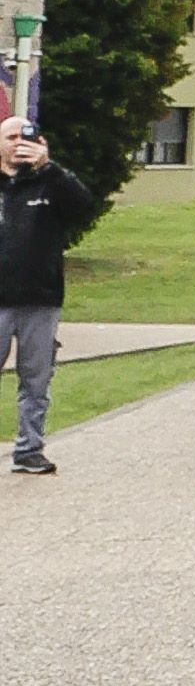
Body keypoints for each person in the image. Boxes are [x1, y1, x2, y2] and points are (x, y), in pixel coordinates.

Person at [0, 112, 101, 473]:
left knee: (36, 379)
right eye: (11, 137)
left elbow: (84, 207)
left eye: (25, 137)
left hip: (40, 299)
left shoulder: (50, 183)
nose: (18, 144)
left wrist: (50, 168)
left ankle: (29, 450)